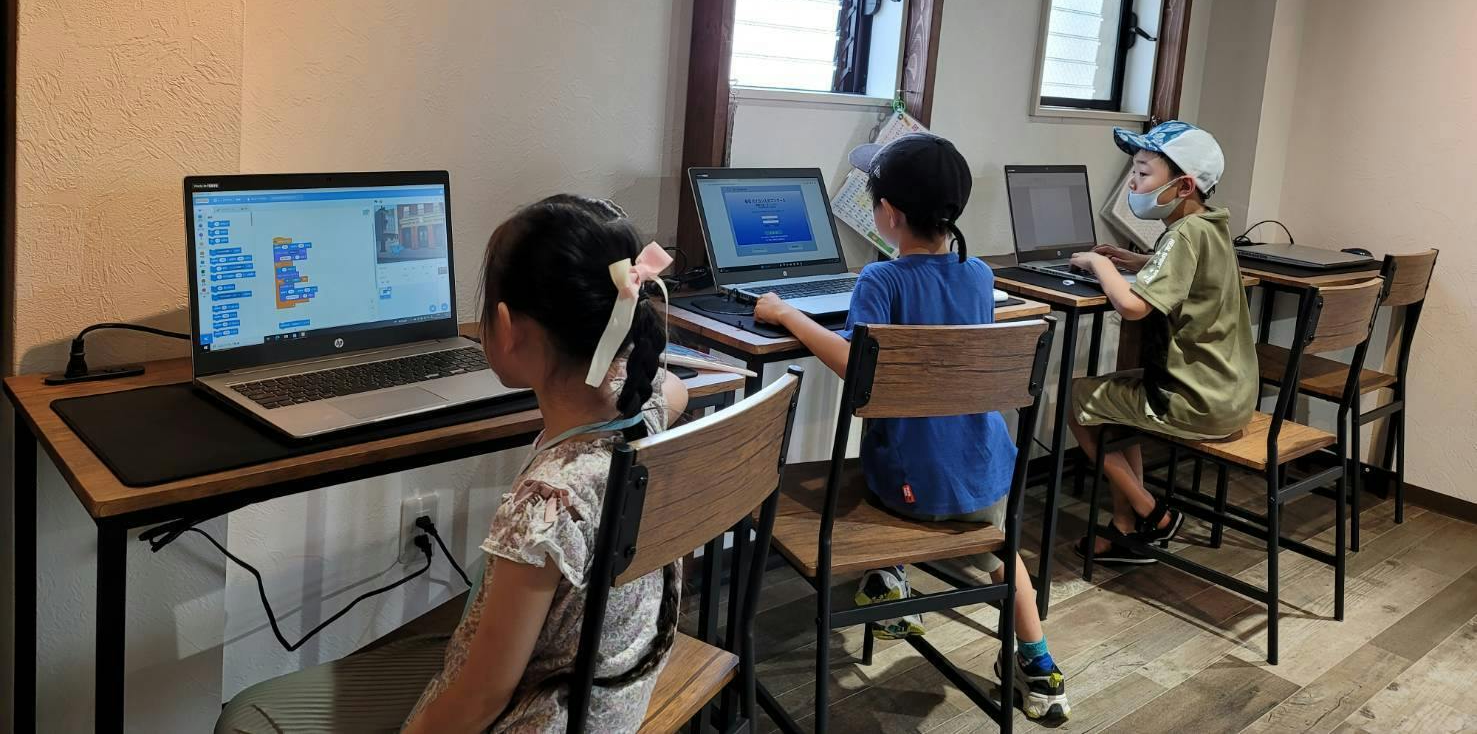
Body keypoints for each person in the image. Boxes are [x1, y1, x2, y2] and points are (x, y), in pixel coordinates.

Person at [215, 195, 689, 734]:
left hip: (529, 716)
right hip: (603, 702)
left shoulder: (545, 506)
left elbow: (479, 699)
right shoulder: (644, 415)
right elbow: (672, 389)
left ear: (506, 328)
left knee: (244, 719)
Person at [754, 134, 1069, 723]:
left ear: (888, 214)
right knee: (1002, 551)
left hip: (909, 492)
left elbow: (855, 366)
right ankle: (1039, 663)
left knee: (870, 464)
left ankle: (891, 577)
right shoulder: (977, 274)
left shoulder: (881, 281)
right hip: (987, 483)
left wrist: (786, 313)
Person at [1067, 121, 1257, 565]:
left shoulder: (1182, 234)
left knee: (1078, 402)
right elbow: (1187, 270)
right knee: (1112, 404)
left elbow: (1133, 307)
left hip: (1195, 401)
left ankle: (1152, 511)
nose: (1133, 184)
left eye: (1143, 173)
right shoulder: (1210, 226)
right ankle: (1125, 529)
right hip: (1229, 394)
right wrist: (1139, 261)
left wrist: (1098, 263)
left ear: (1184, 185)